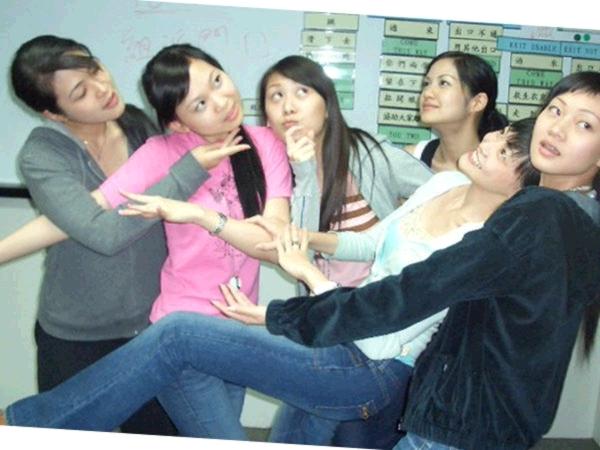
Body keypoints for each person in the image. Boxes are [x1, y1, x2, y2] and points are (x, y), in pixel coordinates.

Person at [1, 113, 539, 446]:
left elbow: (378, 336)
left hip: (366, 368)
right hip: (337, 334)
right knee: (189, 358)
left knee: (179, 335)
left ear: (524, 183)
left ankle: (27, 428)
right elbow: (375, 244)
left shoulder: (485, 242)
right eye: (503, 133)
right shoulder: (443, 185)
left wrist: (301, 284)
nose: (492, 139)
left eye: (507, 150)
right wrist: (304, 240)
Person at [2, 42, 292, 437]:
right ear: (54, 113)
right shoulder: (51, 154)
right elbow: (92, 223)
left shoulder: (139, 127)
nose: (102, 88)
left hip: (169, 322)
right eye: (81, 92)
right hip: (89, 328)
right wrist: (188, 174)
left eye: (95, 69)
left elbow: (272, 236)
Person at [257, 54, 432, 448]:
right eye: (276, 96)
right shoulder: (279, 172)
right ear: (266, 116)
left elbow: (439, 191)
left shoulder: (366, 151)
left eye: (301, 92)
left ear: (327, 103)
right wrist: (304, 172)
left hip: (382, 324)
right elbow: (299, 247)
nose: (288, 106)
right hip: (328, 317)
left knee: (347, 432)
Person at [406, 51, 508, 171]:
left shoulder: (496, 172)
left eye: (444, 83)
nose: (427, 93)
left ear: (477, 102)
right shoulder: (410, 160)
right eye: (426, 83)